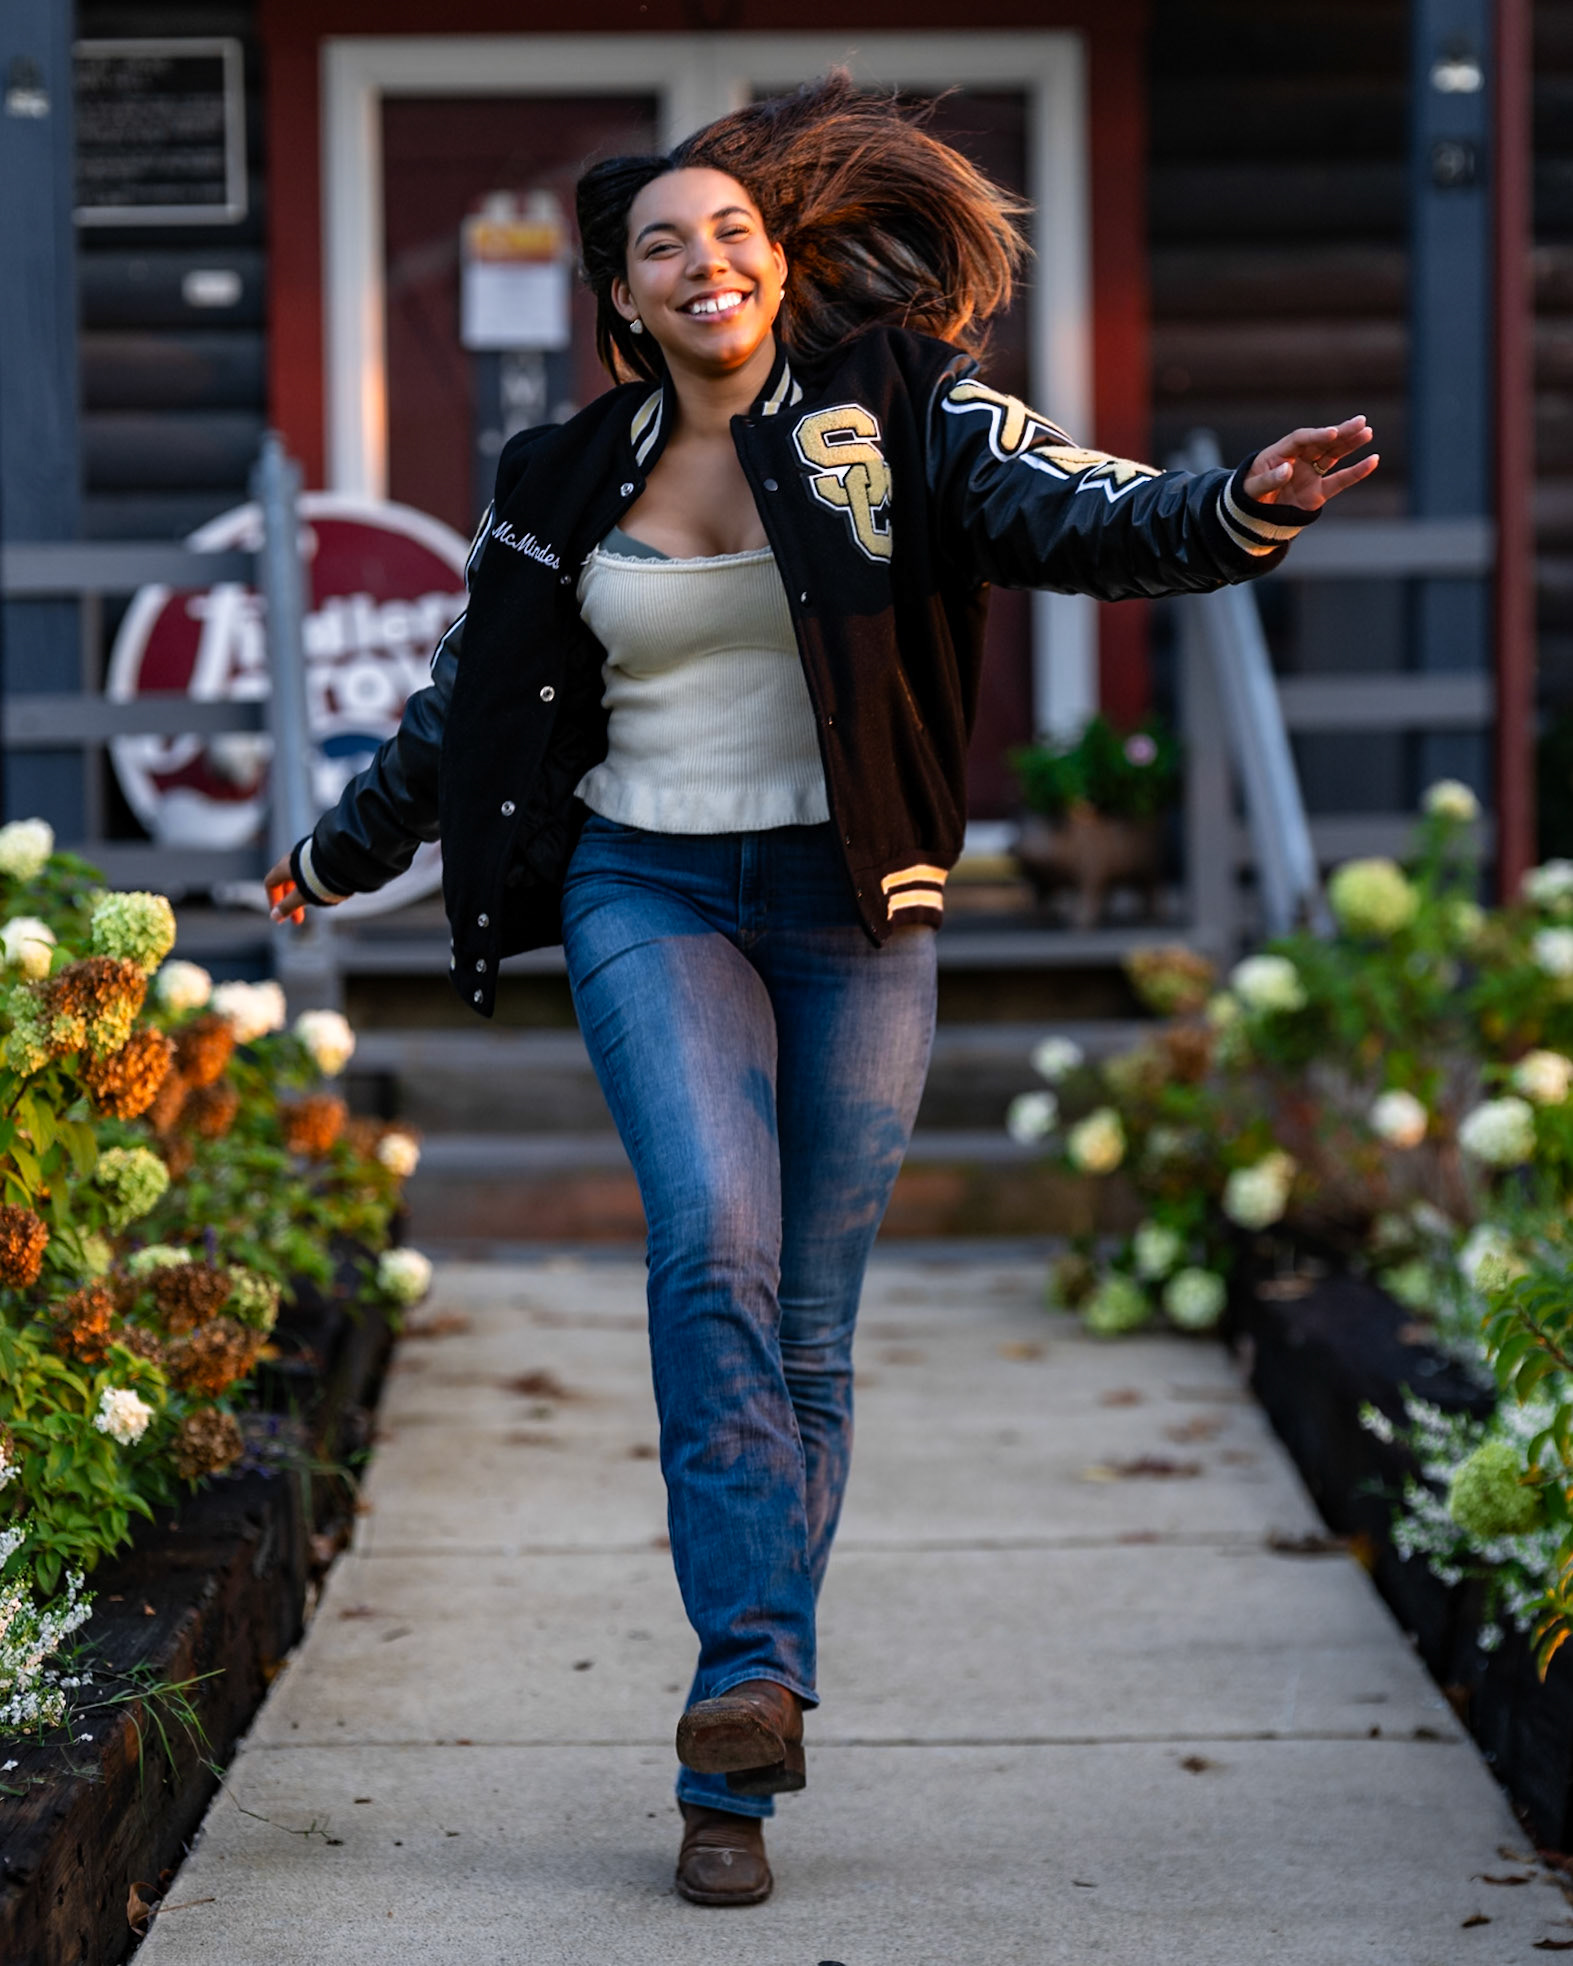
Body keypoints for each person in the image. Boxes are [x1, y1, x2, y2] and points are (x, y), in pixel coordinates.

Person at [266, 75, 1377, 1909]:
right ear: (621, 297)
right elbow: (464, 696)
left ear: (777, 264)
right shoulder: (557, 478)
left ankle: (739, 1760)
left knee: (807, 1332)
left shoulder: (902, 407)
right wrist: (336, 851)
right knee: (712, 1237)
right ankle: (748, 1679)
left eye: (730, 233)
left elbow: (1075, 510)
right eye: (661, 247)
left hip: (852, 901)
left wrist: (1236, 508)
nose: (701, 263)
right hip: (645, 885)